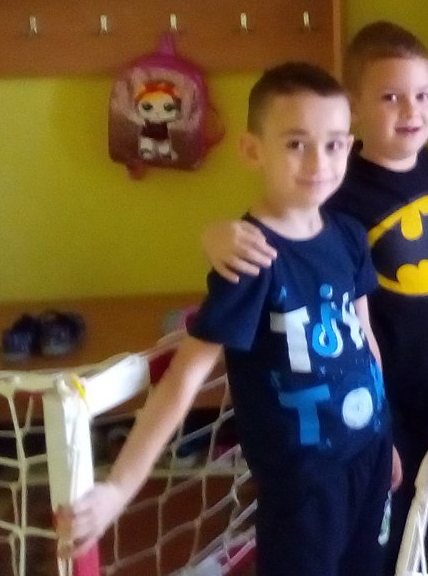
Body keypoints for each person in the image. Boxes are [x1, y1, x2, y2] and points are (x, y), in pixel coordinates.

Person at [59, 63, 396, 576]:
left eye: (333, 145)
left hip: (368, 458)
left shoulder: (349, 236)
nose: (318, 162)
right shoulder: (249, 259)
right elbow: (182, 380)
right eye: (296, 143)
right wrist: (118, 490)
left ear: (349, 147)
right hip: (302, 487)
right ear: (252, 150)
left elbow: (365, 340)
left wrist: (384, 438)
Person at [200, 23, 428, 571]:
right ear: (353, 109)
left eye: (423, 95)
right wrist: (216, 235)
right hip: (369, 390)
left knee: (427, 500)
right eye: (391, 97)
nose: (412, 110)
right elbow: (291, 234)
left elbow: (410, 217)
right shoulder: (339, 182)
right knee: (381, 518)